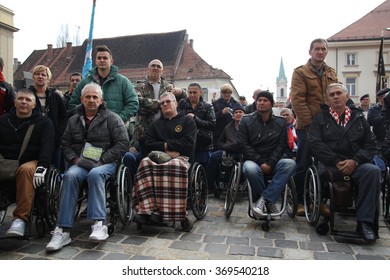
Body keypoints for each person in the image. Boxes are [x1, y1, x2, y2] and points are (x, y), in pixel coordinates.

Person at [46, 83, 129, 251]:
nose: (91, 100)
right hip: (81, 162)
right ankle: (62, 230)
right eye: (88, 97)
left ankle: (99, 224)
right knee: (69, 176)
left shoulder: (112, 118)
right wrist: (74, 159)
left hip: (105, 163)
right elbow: (65, 143)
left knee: (95, 175)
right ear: (82, 99)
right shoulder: (74, 119)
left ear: (101, 100)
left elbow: (123, 143)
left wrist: (104, 159)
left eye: (95, 97)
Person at [308, 83, 380, 242]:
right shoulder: (320, 118)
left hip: (356, 163)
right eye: (331, 95)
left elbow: (370, 144)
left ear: (346, 97)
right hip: (330, 164)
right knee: (327, 176)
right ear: (327, 100)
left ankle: (364, 223)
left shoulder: (359, 118)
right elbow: (315, 143)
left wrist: (355, 161)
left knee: (373, 171)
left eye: (338, 93)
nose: (335, 97)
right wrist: (336, 161)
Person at [132, 91, 196, 224]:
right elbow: (147, 142)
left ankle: (170, 212)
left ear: (176, 103)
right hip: (159, 156)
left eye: (168, 101)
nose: (165, 104)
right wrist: (165, 147)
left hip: (181, 157)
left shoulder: (187, 121)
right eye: (162, 103)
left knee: (173, 166)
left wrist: (169, 147)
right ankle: (147, 210)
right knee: (144, 163)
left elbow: (189, 143)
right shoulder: (156, 124)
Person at [290, 38, 338, 216]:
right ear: (310, 52)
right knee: (302, 164)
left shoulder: (331, 72)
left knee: (325, 165)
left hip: (328, 126)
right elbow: (298, 100)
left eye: (323, 49)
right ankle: (300, 201)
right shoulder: (300, 72)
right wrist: (310, 125)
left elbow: (335, 96)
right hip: (307, 127)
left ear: (326, 52)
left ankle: (320, 201)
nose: (320, 52)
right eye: (316, 49)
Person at [0, 88, 55, 237]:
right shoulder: (3, 121)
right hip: (6, 162)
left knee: (25, 170)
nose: (24, 102)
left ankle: (20, 219)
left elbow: (47, 147)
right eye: (21, 99)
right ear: (14, 102)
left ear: (34, 105)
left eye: (28, 100)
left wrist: (42, 166)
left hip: (31, 161)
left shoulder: (44, 123)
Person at [122, 59, 187, 177]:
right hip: (143, 132)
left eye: (158, 66)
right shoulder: (139, 86)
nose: (155, 68)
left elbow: (183, 99)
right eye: (153, 66)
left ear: (162, 71)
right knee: (137, 160)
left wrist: (181, 91)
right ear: (148, 69)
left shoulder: (168, 86)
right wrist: (163, 103)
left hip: (165, 132)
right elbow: (140, 103)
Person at [237, 91, 296, 219]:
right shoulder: (246, 121)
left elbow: (282, 145)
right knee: (251, 170)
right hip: (253, 160)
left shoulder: (281, 122)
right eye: (259, 100)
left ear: (272, 104)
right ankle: (268, 202)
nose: (261, 103)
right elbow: (243, 144)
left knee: (290, 164)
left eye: (265, 100)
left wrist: (270, 163)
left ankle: (265, 199)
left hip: (273, 161)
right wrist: (260, 162)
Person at [68, 45, 139, 123]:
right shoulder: (85, 82)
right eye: (99, 58)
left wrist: (118, 119)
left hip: (115, 129)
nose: (102, 60)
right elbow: (73, 103)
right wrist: (85, 120)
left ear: (111, 61)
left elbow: (133, 103)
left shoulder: (123, 82)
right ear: (95, 61)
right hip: (89, 130)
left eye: (105, 58)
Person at [28, 65, 67, 170]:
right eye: (37, 74)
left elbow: (63, 117)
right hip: (33, 142)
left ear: (48, 78)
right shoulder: (27, 96)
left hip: (54, 140)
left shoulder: (55, 97)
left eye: (43, 75)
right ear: (33, 77)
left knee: (55, 171)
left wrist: (58, 132)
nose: (40, 76)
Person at [178, 82, 215, 167]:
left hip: (202, 143)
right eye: (190, 92)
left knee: (203, 171)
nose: (192, 95)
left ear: (201, 93)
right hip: (185, 143)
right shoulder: (182, 104)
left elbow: (212, 124)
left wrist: (195, 119)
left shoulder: (208, 106)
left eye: (195, 92)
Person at [208, 103, 245, 190]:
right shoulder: (227, 127)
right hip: (228, 150)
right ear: (233, 116)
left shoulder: (249, 127)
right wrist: (225, 146)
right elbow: (220, 141)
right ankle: (211, 185)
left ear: (244, 114)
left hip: (243, 152)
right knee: (212, 157)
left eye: (240, 112)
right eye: (236, 112)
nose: (238, 114)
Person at [212, 83, 239, 150]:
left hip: (233, 133)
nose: (227, 94)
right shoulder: (215, 104)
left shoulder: (236, 104)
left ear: (231, 93)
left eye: (229, 92)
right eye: (224, 92)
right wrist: (222, 113)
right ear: (221, 93)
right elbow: (212, 118)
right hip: (219, 133)